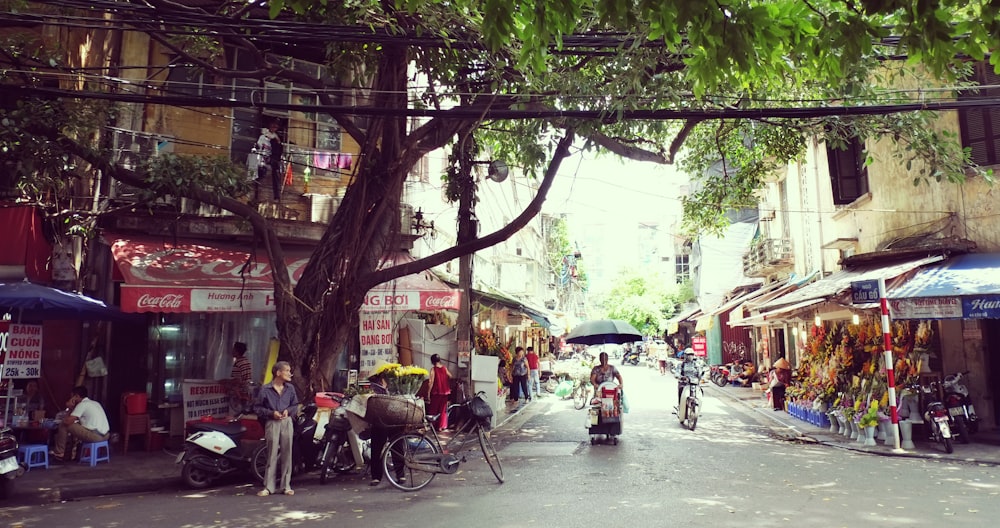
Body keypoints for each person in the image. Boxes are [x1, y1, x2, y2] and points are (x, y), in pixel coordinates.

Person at [255, 361, 299, 496]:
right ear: (278, 373)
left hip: (287, 422)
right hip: (272, 422)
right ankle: (268, 487)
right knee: (272, 453)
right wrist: (271, 413)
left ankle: (286, 486)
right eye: (286, 370)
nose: (289, 373)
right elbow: (257, 408)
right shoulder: (265, 389)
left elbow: (295, 405)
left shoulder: (290, 388)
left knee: (287, 453)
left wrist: (288, 411)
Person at [52, 386, 110, 461]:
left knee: (63, 425)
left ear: (76, 396)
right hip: (106, 436)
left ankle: (59, 452)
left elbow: (67, 421)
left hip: (96, 437)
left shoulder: (82, 404)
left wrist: (69, 407)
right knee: (74, 426)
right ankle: (73, 453)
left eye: (72, 397)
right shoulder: (95, 403)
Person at [366, 370, 404, 487]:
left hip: (394, 420)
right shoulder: (374, 387)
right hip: (379, 421)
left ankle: (401, 474)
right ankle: (376, 476)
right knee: (377, 449)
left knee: (397, 447)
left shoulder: (395, 386)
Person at [255, 119, 284, 201]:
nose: (274, 128)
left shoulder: (275, 138)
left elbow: (278, 151)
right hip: (261, 158)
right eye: (273, 126)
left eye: (276, 126)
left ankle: (277, 196)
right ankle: (256, 187)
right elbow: (258, 146)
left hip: (271, 159)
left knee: (276, 172)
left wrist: (277, 142)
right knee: (258, 168)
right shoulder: (263, 136)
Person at [223, 341, 253, 419]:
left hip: (239, 393)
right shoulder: (247, 361)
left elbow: (237, 380)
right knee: (243, 414)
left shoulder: (238, 363)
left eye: (234, 349)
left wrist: (225, 381)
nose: (232, 351)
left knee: (234, 415)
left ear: (237, 351)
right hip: (247, 391)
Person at [427, 354, 453, 430]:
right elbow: (450, 376)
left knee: (433, 409)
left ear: (432, 361)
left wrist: (428, 393)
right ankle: (442, 426)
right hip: (445, 392)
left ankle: (432, 425)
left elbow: (430, 382)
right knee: (443, 410)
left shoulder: (433, 369)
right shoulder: (444, 368)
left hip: (436, 392)